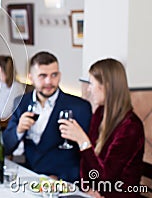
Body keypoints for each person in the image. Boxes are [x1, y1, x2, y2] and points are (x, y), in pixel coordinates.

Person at [59, 58, 144, 197]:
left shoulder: (131, 127)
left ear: (107, 86)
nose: (89, 89)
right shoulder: (100, 113)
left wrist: (83, 141)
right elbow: (87, 164)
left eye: (92, 83)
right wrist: (87, 188)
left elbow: (106, 178)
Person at [3, 51, 92, 182]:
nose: (49, 81)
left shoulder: (80, 107)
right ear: (31, 78)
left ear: (60, 76)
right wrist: (18, 130)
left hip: (64, 182)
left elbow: (86, 157)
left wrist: (62, 179)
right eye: (42, 76)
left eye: (54, 75)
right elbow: (6, 146)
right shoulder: (21, 102)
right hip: (30, 178)